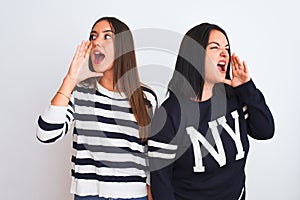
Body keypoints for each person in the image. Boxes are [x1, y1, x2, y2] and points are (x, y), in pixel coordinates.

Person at [148, 22, 274, 200]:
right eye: (215, 47)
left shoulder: (233, 97)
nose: (225, 53)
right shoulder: (170, 115)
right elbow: (161, 183)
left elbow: (265, 131)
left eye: (227, 48)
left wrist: (246, 87)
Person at [36, 17, 157, 200]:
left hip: (135, 195)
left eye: (107, 36)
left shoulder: (146, 96)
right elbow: (46, 133)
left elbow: (151, 154)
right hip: (89, 195)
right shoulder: (79, 92)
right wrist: (71, 79)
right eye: (93, 36)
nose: (96, 41)